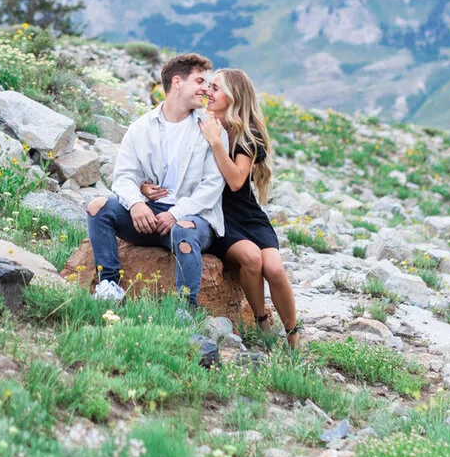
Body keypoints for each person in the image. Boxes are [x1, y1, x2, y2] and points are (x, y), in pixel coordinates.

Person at [143, 68, 300, 348]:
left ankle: (293, 334)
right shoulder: (198, 123)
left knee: (275, 268)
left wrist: (216, 142)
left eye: (215, 88)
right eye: (208, 86)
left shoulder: (247, 135)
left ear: (233, 95)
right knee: (252, 258)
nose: (207, 92)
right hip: (215, 213)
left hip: (246, 213)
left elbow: (237, 181)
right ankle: (262, 320)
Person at [85, 52, 226, 309]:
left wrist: (175, 214)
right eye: (199, 82)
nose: (206, 89)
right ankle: (109, 287)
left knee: (184, 229)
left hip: (192, 218)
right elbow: (124, 177)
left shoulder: (210, 128)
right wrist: (137, 204)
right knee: (97, 207)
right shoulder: (141, 127)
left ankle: (186, 307)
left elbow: (212, 187)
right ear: (177, 82)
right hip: (149, 217)